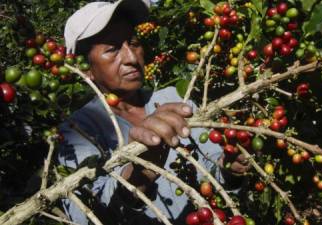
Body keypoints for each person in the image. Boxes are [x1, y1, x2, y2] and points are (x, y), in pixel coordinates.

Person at [58, 0, 250, 224]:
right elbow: (88, 214)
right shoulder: (76, 131)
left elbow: (212, 167)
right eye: (113, 49)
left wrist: (228, 167)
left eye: (134, 42)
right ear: (85, 69)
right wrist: (139, 174)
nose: (131, 58)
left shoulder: (174, 99)